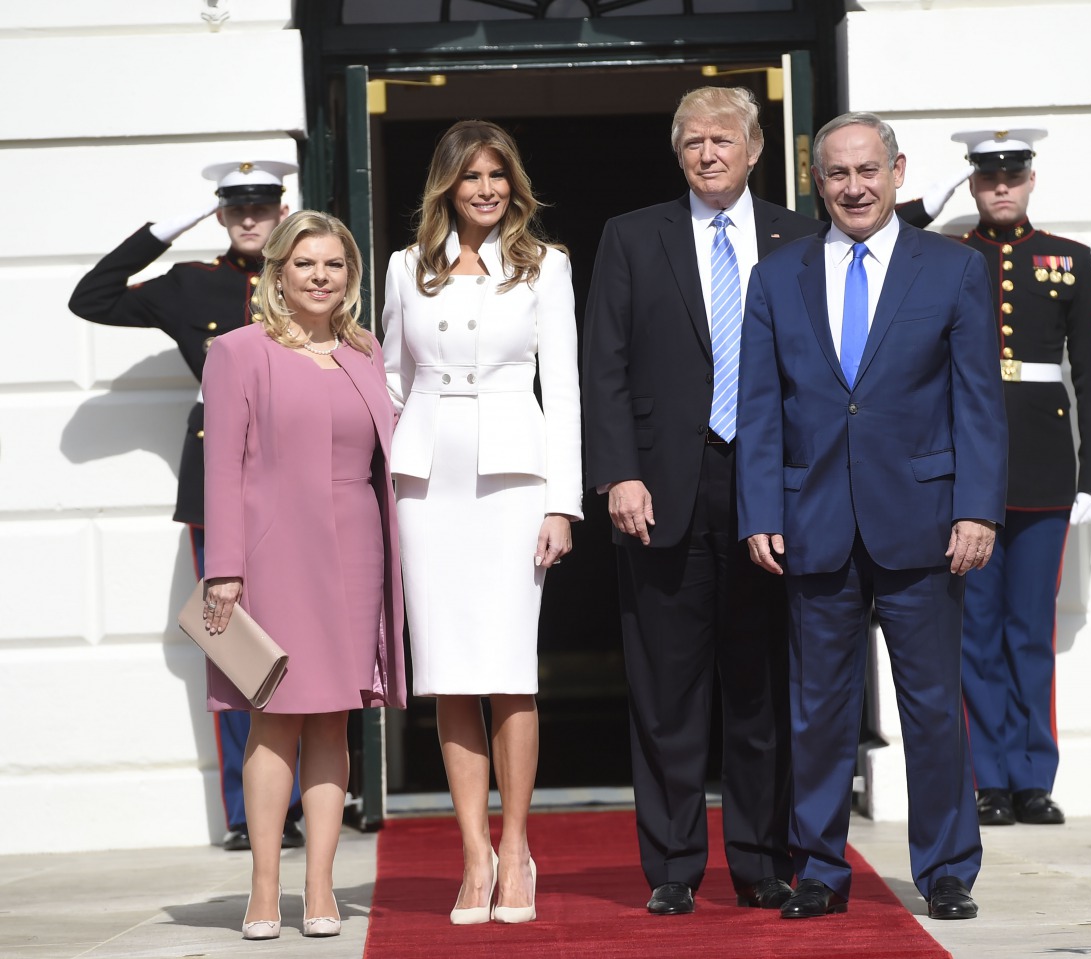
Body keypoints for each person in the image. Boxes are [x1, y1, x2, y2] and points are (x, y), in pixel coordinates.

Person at [736, 112, 1008, 922]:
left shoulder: (952, 268)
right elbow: (760, 408)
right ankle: (820, 869)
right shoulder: (776, 277)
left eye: (867, 170)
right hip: (812, 522)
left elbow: (978, 402)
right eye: (837, 173)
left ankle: (947, 868)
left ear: (897, 171)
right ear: (816, 182)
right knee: (818, 712)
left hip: (925, 522)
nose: (854, 187)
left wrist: (977, 509)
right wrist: (759, 509)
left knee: (932, 707)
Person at [582, 86, 820, 917]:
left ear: (755, 150)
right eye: (693, 141)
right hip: (660, 491)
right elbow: (603, 363)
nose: (708, 153)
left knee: (762, 689)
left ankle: (761, 861)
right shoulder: (631, 235)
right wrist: (618, 473)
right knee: (666, 693)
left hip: (769, 491)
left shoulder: (802, 237)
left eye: (723, 139)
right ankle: (673, 865)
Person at [68, 160, 305, 852]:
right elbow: (92, 297)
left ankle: (301, 797)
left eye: (262, 207)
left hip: (296, 478)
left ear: (282, 209)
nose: (250, 219)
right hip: (217, 484)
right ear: (221, 214)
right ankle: (249, 813)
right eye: (236, 209)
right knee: (232, 645)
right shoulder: (190, 284)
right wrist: (168, 228)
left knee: (304, 636)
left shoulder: (310, 275)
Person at [381, 120, 582, 925]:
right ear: (447, 186)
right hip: (427, 484)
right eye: (471, 176)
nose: (486, 189)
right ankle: (474, 853)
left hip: (513, 483)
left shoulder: (545, 266)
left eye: (497, 174)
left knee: (508, 667)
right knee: (449, 671)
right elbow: (392, 382)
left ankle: (517, 847)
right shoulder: (406, 267)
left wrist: (562, 502)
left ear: (514, 183)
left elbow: (562, 388)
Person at [201, 210, 407, 940]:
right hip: (275, 551)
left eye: (335, 265)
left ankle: (321, 886)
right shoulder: (238, 351)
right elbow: (222, 467)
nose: (321, 277)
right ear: (278, 273)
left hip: (356, 548)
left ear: (351, 275)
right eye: (306, 264)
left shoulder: (365, 350)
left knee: (332, 716)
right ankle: (265, 888)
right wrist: (224, 569)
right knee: (275, 714)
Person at [952, 129, 1091, 827]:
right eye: (988, 178)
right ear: (973, 184)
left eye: (1012, 176)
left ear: (1030, 180)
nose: (1001, 187)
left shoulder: (1070, 260)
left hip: (1046, 467)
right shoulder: (949, 256)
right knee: (976, 631)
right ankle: (987, 778)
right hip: (969, 472)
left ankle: (1032, 778)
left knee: (1029, 631)